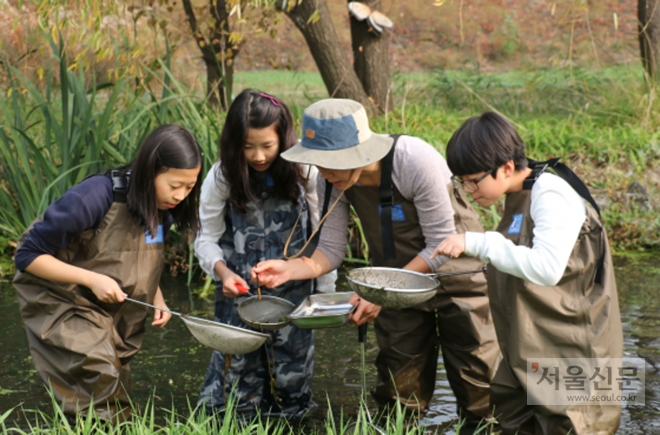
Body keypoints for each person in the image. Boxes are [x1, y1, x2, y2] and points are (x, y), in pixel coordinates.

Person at [253, 98, 501, 426]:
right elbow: (330, 249)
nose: (324, 173)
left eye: (332, 163)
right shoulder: (330, 179)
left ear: (359, 151)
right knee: (400, 389)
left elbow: (439, 247)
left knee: (479, 385)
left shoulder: (414, 161)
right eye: (318, 163)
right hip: (394, 284)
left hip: (459, 275)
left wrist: (380, 291)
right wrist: (290, 269)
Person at [432, 112, 623, 434]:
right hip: (532, 344)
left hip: (571, 348)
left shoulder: (551, 194)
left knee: (572, 425)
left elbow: (547, 270)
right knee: (513, 418)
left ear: (506, 167)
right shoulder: (523, 190)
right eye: (460, 181)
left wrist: (479, 242)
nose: (466, 190)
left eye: (472, 180)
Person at [12, 124, 203, 421]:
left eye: (189, 187)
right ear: (148, 171)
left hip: (111, 303)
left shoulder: (162, 206)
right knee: (100, 370)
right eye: (174, 185)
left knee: (113, 379)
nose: (180, 195)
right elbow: (26, 256)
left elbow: (146, 258)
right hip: (58, 294)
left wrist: (158, 298)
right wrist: (91, 279)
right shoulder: (93, 197)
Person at [194, 89, 336, 419]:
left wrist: (325, 297)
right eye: (247, 147)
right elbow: (205, 237)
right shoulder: (222, 176)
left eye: (267, 146)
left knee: (293, 393)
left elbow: (322, 237)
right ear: (234, 144)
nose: (258, 156)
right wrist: (222, 272)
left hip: (294, 302)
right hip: (238, 298)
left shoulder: (307, 171)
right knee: (235, 392)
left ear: (283, 140)